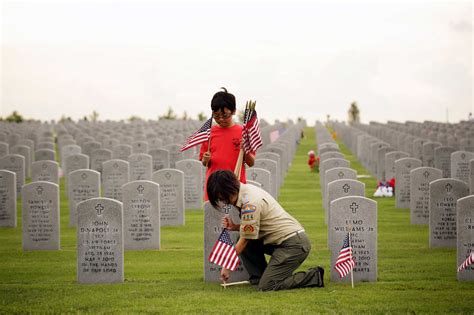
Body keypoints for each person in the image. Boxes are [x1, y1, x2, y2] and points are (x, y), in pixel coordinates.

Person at [207, 170, 325, 291]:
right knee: (242, 239)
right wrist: (235, 227)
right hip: (281, 241)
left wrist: (227, 264)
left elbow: (246, 239)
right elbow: (253, 227)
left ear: (226, 190)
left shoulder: (250, 203)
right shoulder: (245, 191)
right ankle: (259, 277)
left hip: (293, 245)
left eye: (220, 197)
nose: (220, 200)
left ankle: (314, 276)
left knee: (268, 286)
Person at [200, 88, 255, 200]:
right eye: (216, 115)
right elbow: (204, 162)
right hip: (213, 187)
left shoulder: (243, 133)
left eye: (225, 115)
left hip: (236, 186)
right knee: (214, 217)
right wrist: (205, 159)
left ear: (233, 111)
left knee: (234, 218)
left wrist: (245, 151)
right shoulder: (208, 133)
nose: (220, 119)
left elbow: (251, 162)